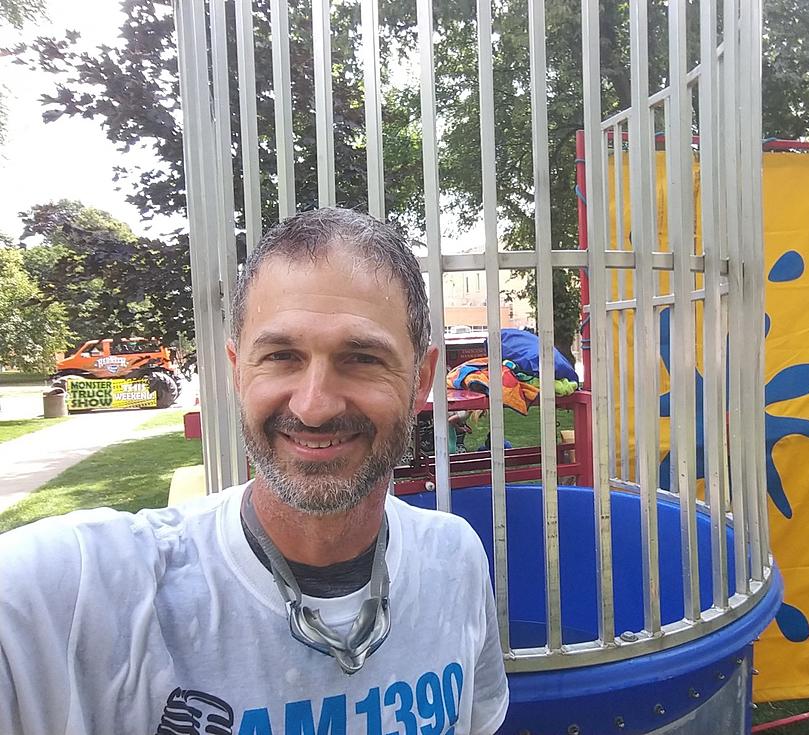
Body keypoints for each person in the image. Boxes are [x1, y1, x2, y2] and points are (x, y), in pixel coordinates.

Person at [0, 207, 510, 735]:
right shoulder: (86, 591)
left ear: (419, 381)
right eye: (282, 355)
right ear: (237, 372)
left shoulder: (455, 557)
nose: (314, 407)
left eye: (361, 358)